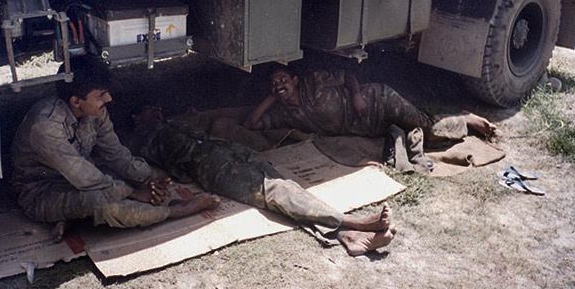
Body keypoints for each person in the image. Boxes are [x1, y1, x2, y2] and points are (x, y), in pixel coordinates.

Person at [128, 106, 396, 257]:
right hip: (209, 166)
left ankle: (345, 236)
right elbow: (136, 164)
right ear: (137, 118)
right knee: (274, 191)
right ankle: (352, 222)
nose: (155, 110)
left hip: (225, 150)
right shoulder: (145, 138)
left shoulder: (175, 121)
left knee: (287, 189)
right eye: (148, 111)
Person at [10, 57, 220, 239]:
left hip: (83, 175)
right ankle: (177, 211)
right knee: (104, 204)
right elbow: (85, 178)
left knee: (137, 174)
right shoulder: (45, 127)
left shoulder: (95, 113)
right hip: (42, 191)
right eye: (101, 95)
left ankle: (72, 217)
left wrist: (148, 179)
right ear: (76, 101)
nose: (108, 99)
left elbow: (115, 154)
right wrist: (135, 193)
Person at [244, 67, 496, 145]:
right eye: (274, 83)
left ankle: (465, 119)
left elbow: (347, 76)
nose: (279, 83)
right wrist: (271, 97)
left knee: (429, 131)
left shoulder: (314, 82)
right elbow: (251, 124)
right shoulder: (285, 114)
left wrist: (356, 95)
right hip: (368, 128)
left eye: (283, 79)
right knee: (409, 133)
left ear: (295, 80)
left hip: (378, 100)